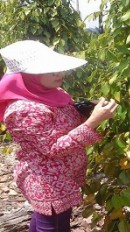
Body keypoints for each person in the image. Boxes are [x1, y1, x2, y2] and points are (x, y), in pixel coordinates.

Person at [0, 40, 118, 232]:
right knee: (52, 226)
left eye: (57, 67)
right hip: (47, 181)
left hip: (62, 176)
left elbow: (64, 122)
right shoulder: (23, 110)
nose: (59, 73)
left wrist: (86, 111)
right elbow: (54, 148)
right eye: (48, 69)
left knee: (53, 220)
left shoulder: (53, 93)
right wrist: (93, 121)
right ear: (26, 75)